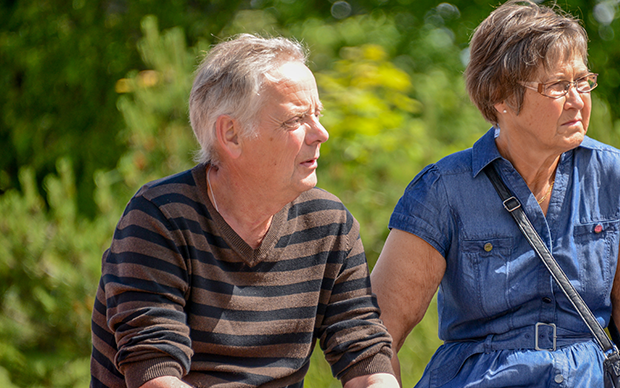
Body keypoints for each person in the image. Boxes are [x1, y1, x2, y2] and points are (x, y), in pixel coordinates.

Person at [370, 1, 620, 387]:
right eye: (558, 86)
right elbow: (378, 336)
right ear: (501, 96)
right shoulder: (442, 191)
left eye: (582, 81)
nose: (578, 99)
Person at [90, 34, 399, 388]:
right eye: (295, 120)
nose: (321, 133)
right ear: (231, 134)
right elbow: (155, 377)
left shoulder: (330, 224)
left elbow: (366, 358)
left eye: (317, 115)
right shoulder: (159, 218)